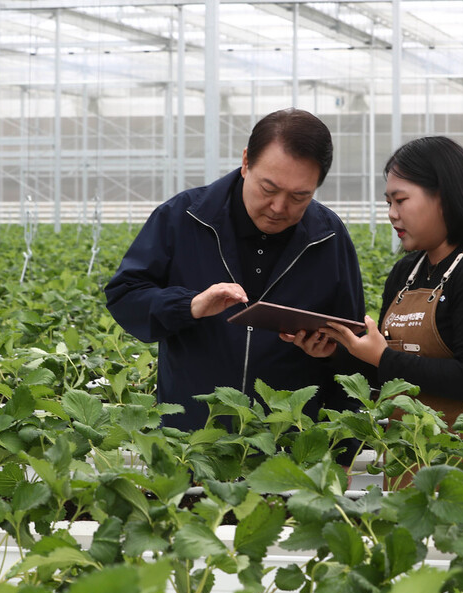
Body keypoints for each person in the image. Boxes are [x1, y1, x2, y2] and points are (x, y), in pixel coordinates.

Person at [104, 108, 365, 431]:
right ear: (245, 162)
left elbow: (354, 348)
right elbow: (125, 297)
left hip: (286, 447)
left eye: (300, 196)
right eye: (268, 189)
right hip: (192, 440)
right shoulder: (182, 218)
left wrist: (330, 353)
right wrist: (189, 305)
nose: (279, 207)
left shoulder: (328, 236)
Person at [320, 136, 463, 425]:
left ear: (445, 197)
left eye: (401, 200)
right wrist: (335, 351)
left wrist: (383, 358)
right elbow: (393, 374)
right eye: (388, 203)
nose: (392, 214)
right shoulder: (406, 272)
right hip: (408, 455)